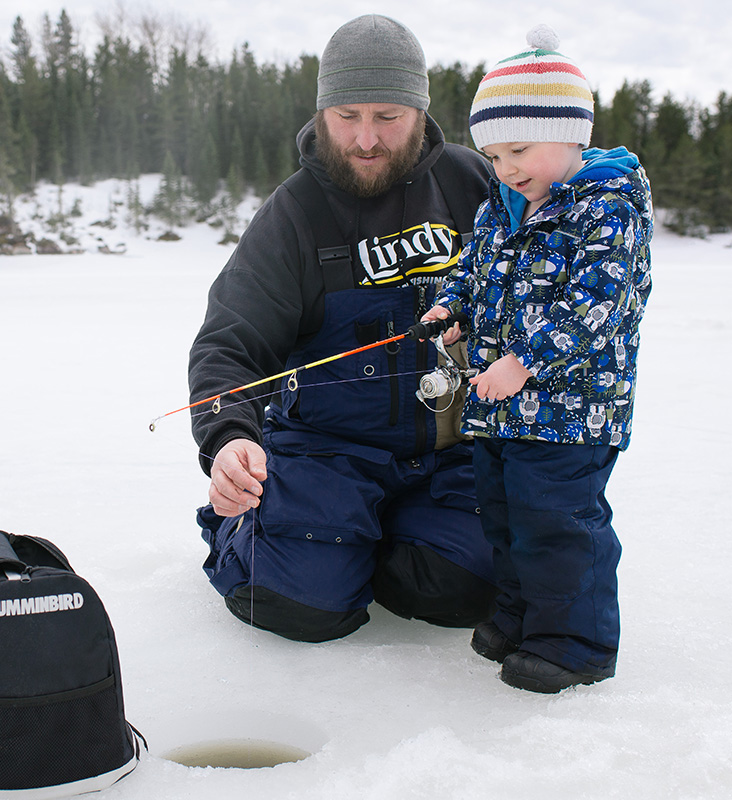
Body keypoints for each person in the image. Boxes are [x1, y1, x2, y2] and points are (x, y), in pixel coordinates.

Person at [188, 14, 498, 643]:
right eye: (347, 115)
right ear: (322, 110)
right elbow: (229, 342)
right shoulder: (294, 215)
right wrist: (226, 439)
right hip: (327, 451)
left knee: (465, 586)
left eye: (388, 117)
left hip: (449, 455)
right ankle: (249, 529)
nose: (365, 139)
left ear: (421, 111)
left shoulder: (472, 183)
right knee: (297, 604)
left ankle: (379, 539)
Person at [422, 25, 653, 692]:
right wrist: (452, 307)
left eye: (518, 150)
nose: (505, 168)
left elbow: (596, 307)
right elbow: (474, 268)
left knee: (557, 524)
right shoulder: (504, 207)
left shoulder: (608, 211)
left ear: (570, 134)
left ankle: (576, 643)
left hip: (570, 411)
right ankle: (522, 619)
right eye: (493, 156)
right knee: (503, 516)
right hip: (500, 409)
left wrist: (524, 361)